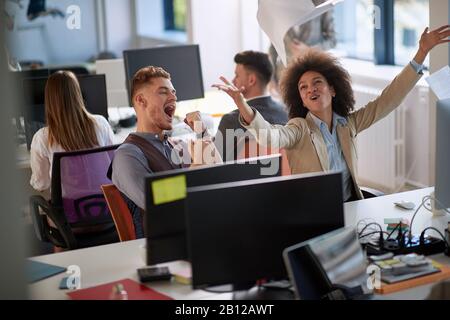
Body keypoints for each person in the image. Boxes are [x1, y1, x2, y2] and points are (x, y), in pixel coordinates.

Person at [212, 25, 450, 202]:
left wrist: (421, 53)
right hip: (315, 213)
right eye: (303, 87)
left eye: (317, 82)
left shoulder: (349, 124)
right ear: (301, 98)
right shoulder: (299, 128)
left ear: (333, 89)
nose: (310, 89)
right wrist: (242, 104)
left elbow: (389, 99)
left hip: (351, 207)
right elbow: (270, 136)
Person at [111, 66, 220, 237]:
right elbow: (156, 200)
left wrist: (202, 132)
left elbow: (219, 175)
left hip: (199, 231)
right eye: (163, 92)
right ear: (141, 100)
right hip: (167, 242)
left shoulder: (177, 144)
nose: (173, 97)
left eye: (174, 92)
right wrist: (198, 164)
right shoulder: (128, 155)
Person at [30, 71, 115, 192]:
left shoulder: (42, 138)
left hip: (70, 208)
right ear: (78, 94)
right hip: (105, 203)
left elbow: (42, 184)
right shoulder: (101, 124)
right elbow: (114, 164)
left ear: (49, 100)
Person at [214, 50, 288, 161]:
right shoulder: (286, 112)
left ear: (251, 80)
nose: (233, 81)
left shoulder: (231, 120)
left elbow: (214, 164)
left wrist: (201, 133)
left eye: (237, 75)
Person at [268, 0, 336, 96]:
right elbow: (273, 46)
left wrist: (309, 49)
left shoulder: (322, 4)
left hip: (312, 75)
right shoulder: (281, 6)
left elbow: (332, 41)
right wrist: (271, 78)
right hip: (284, 77)